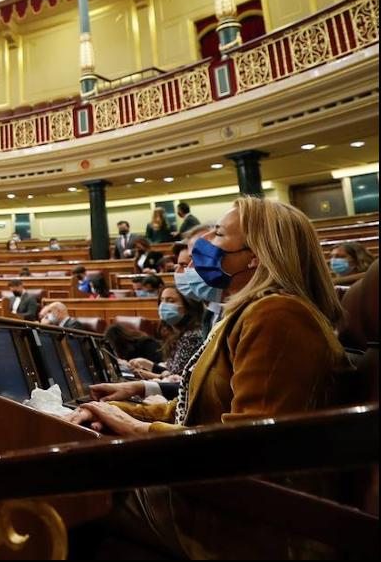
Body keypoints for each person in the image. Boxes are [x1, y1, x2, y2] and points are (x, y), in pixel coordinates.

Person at [70, 197, 349, 558]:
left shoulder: (278, 314)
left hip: (247, 523)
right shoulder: (252, 311)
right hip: (216, 496)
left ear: (255, 256)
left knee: (72, 492)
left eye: (218, 234)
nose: (205, 246)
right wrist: (118, 411)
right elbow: (193, 406)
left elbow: (251, 448)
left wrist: (136, 430)